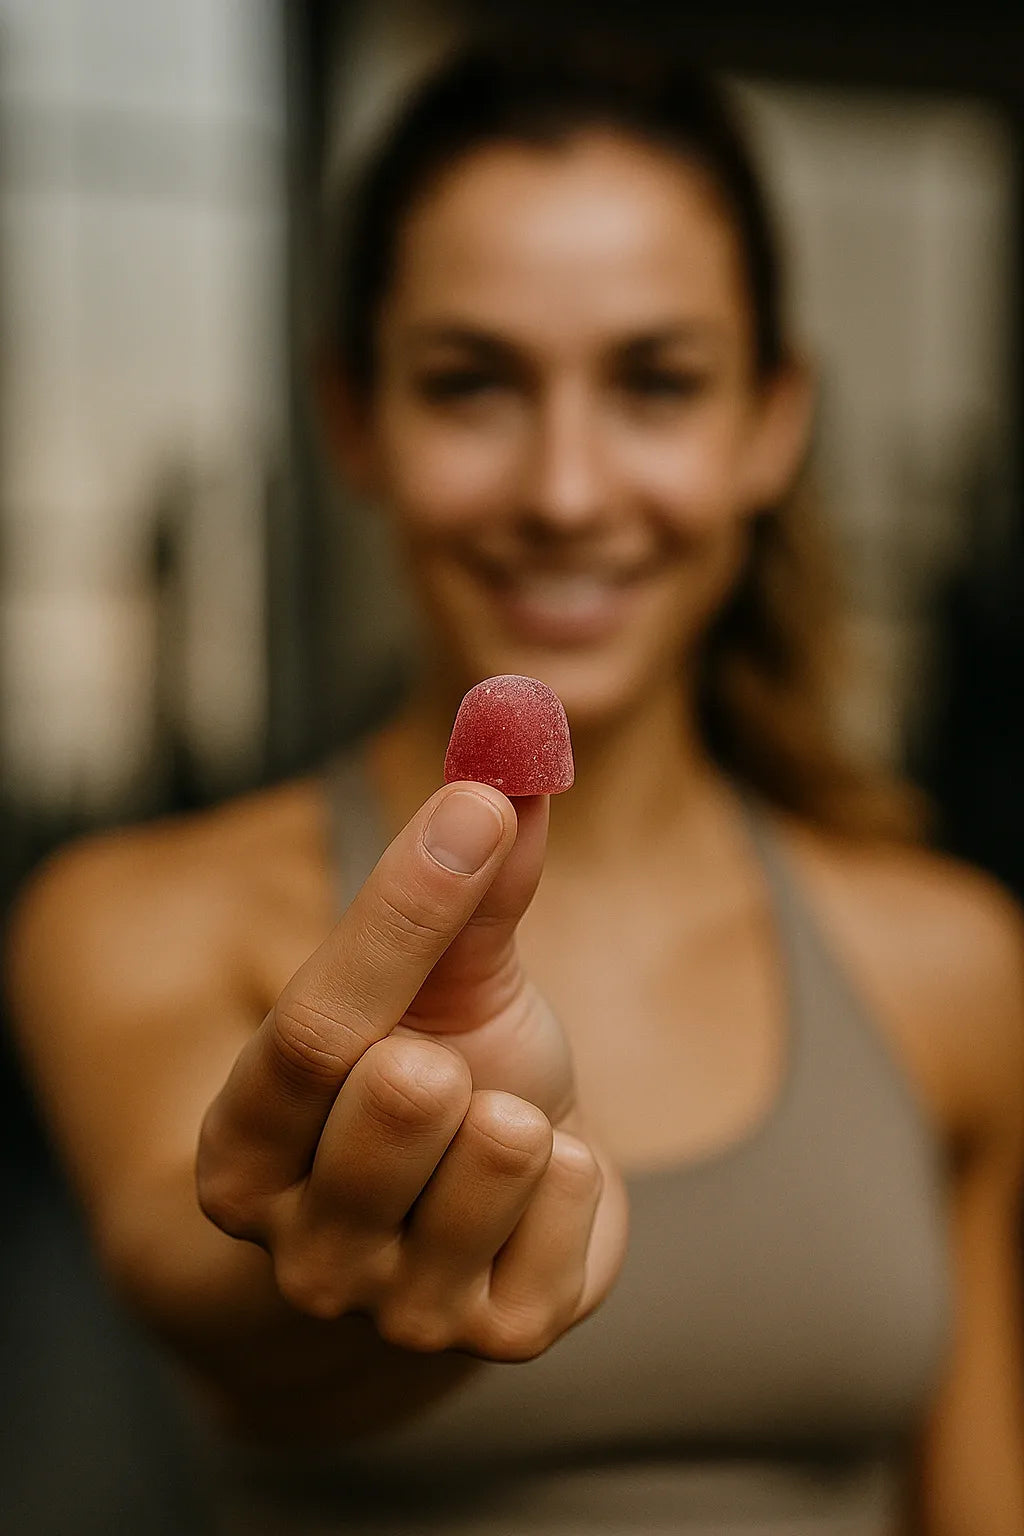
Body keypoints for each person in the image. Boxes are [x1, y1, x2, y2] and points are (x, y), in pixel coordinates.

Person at [6, 32, 1024, 1536]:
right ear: (356, 418)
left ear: (771, 422)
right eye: (472, 384)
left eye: (657, 384)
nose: (564, 491)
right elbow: (202, 1293)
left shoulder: (953, 960)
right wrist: (315, 1253)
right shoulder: (132, 916)